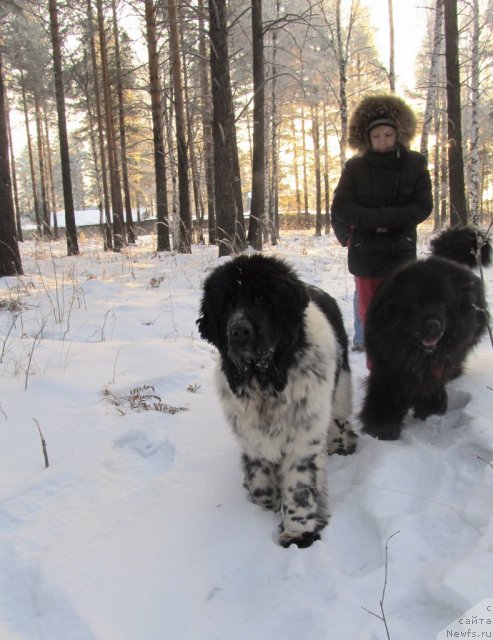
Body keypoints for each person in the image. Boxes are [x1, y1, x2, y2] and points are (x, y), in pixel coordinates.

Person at [331, 93, 433, 344]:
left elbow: (422, 206)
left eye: (388, 135)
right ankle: (376, 370)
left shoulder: (415, 164)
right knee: (369, 315)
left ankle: (403, 370)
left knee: (404, 311)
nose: (382, 142)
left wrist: (384, 220)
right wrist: (353, 235)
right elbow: (341, 206)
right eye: (376, 136)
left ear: (398, 134)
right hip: (365, 251)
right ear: (367, 138)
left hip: (401, 248)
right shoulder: (355, 167)